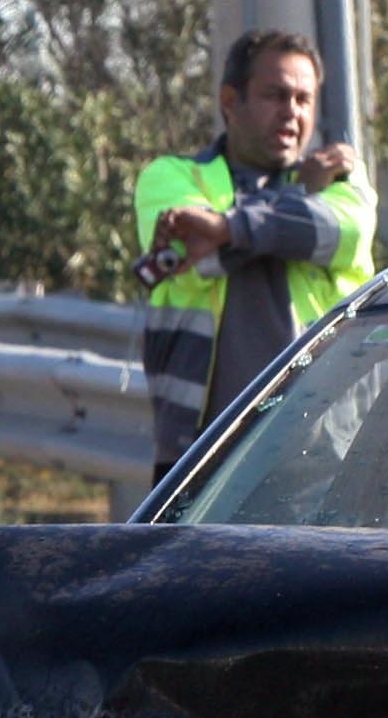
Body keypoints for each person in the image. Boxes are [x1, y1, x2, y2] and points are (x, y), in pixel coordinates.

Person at [136, 27, 372, 477]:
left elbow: (345, 235)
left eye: (304, 99)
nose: (292, 113)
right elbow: (201, 255)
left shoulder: (341, 180)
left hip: (323, 457)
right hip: (199, 459)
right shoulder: (170, 178)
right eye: (275, 95)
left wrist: (228, 227)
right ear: (230, 100)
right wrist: (298, 202)